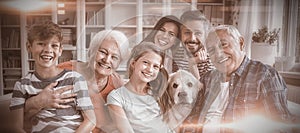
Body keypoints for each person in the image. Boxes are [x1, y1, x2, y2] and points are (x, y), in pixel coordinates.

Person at [180, 25, 295, 133]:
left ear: (241, 43)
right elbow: (191, 121)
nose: (218, 54)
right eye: (212, 50)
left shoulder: (265, 76)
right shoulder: (207, 79)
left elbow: (279, 127)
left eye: (223, 44)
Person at [25, 29, 130, 133]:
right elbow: (21, 111)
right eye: (103, 52)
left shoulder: (117, 84)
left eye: (114, 57)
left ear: (119, 62)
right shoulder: (65, 70)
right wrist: (38, 101)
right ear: (92, 51)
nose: (107, 60)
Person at [9, 21, 95, 132]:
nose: (48, 50)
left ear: (60, 50)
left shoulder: (75, 79)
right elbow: (15, 126)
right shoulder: (22, 85)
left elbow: (91, 120)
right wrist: (39, 101)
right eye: (41, 44)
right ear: (29, 47)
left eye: (54, 45)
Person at [107, 42, 171, 133]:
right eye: (145, 62)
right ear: (133, 63)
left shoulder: (158, 93)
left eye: (155, 66)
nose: (150, 69)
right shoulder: (116, 97)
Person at [173, 10, 214, 79]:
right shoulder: (175, 53)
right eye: (187, 32)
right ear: (180, 35)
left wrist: (193, 64)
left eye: (198, 33)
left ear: (205, 36)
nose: (192, 38)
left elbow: (204, 89)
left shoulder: (212, 59)